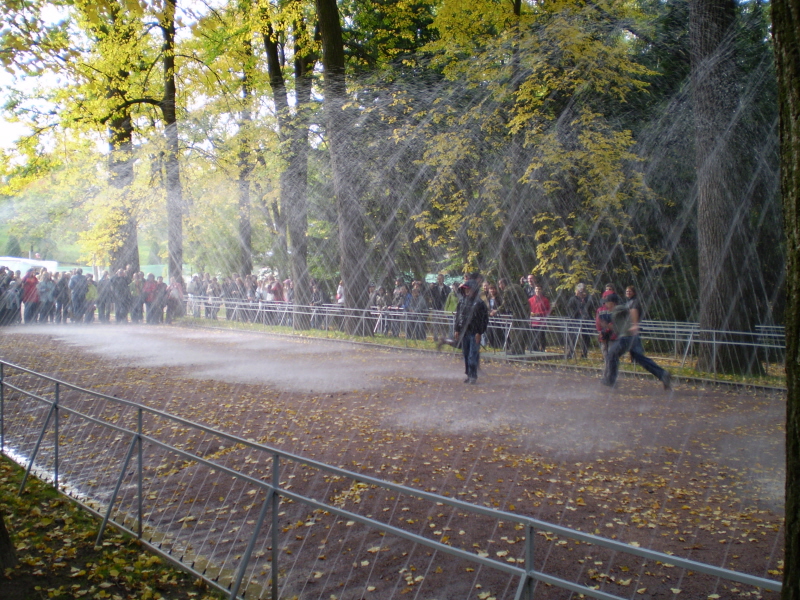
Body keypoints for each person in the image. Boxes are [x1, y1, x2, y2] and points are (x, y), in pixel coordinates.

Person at [601, 293, 672, 390]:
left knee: (612, 354)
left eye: (607, 303)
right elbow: (618, 326)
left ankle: (610, 380)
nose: (605, 305)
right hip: (633, 337)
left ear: (612, 303)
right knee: (640, 358)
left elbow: (632, 310)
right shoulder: (617, 313)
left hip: (626, 338)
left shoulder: (618, 308)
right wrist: (606, 326)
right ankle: (663, 374)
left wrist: (634, 324)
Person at [453, 276, 489, 385]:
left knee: (472, 355)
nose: (467, 291)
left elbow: (483, 320)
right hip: (464, 332)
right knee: (466, 354)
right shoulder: (462, 301)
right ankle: (469, 374)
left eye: (469, 289)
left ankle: (473, 375)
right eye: (465, 289)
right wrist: (457, 329)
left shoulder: (479, 303)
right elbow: (458, 316)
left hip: (474, 333)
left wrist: (479, 332)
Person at [496, 278, 529, 355]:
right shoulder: (516, 286)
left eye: (500, 284)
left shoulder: (508, 290)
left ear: (503, 284)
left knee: (514, 331)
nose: (499, 286)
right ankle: (521, 350)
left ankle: (515, 350)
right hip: (525, 310)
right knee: (522, 330)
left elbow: (505, 303)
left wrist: (497, 311)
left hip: (519, 311)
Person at [565, 283, 591, 359]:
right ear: (576, 291)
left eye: (582, 291)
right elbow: (570, 309)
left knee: (586, 337)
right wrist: (577, 312)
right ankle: (570, 352)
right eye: (579, 291)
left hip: (586, 321)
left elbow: (590, 308)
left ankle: (584, 353)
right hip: (575, 321)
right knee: (573, 337)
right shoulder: (573, 299)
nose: (581, 293)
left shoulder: (587, 299)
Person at [528, 285, 551, 352]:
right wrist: (530, 313)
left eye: (539, 289)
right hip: (532, 321)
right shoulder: (530, 300)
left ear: (541, 290)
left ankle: (542, 348)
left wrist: (539, 313)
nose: (537, 291)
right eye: (536, 289)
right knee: (532, 335)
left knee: (541, 336)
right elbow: (527, 309)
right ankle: (533, 348)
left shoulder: (545, 300)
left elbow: (548, 311)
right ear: (534, 290)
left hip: (541, 321)